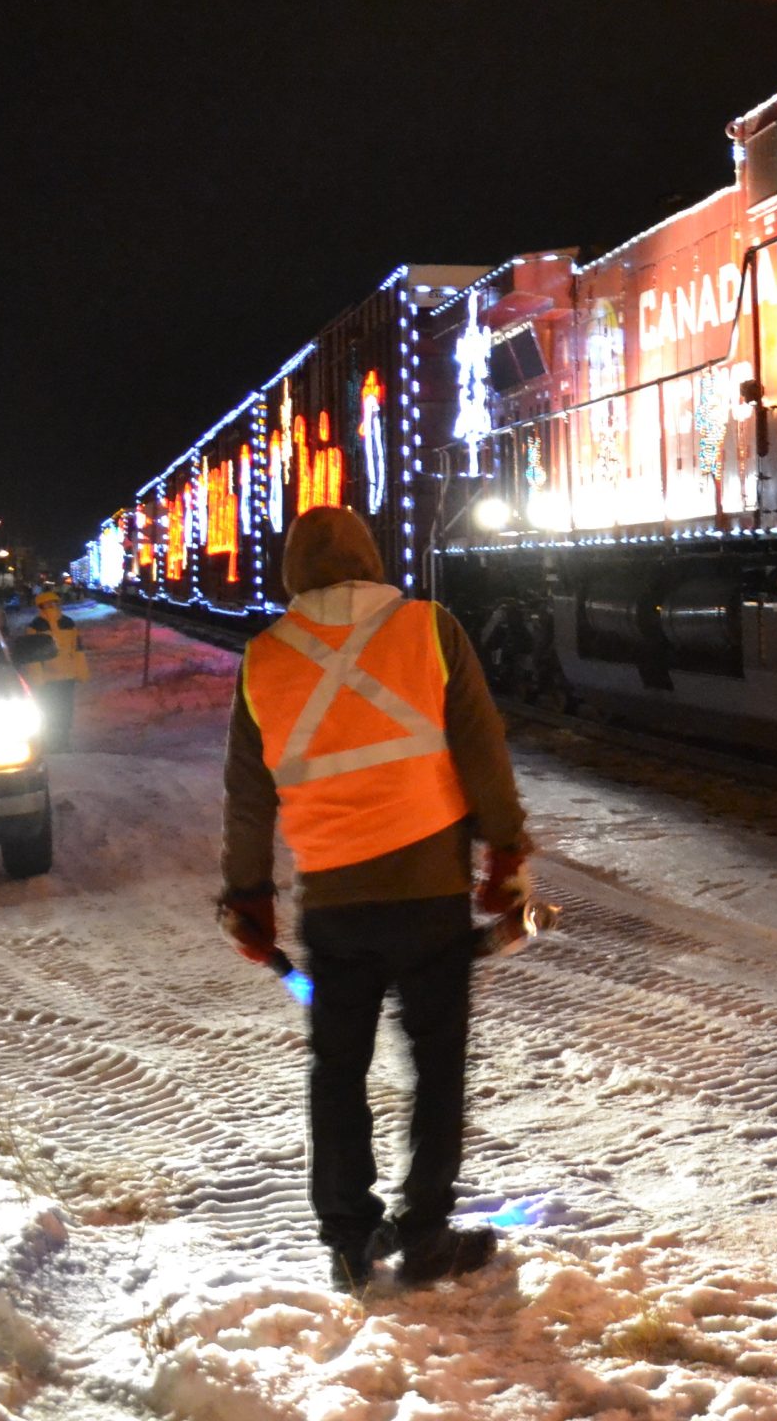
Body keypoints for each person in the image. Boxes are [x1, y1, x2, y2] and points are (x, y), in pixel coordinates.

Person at [216, 507, 531, 1293]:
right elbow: (482, 748)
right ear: (370, 558)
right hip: (429, 893)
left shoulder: (263, 660)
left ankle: (349, 1240)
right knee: (436, 1066)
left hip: (334, 900)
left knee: (338, 1068)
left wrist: (248, 898)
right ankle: (424, 1233)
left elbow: (247, 801)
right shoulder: (430, 628)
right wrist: (506, 850)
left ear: (293, 574)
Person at [19, 591, 89, 749]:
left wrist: (81, 671)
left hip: (67, 676)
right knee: (49, 708)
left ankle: (62, 740)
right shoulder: (36, 626)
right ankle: (51, 740)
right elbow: (33, 655)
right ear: (41, 606)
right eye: (47, 604)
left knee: (65, 708)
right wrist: (37, 677)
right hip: (48, 678)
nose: (51, 606)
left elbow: (77, 649)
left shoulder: (68, 623)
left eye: (54, 603)